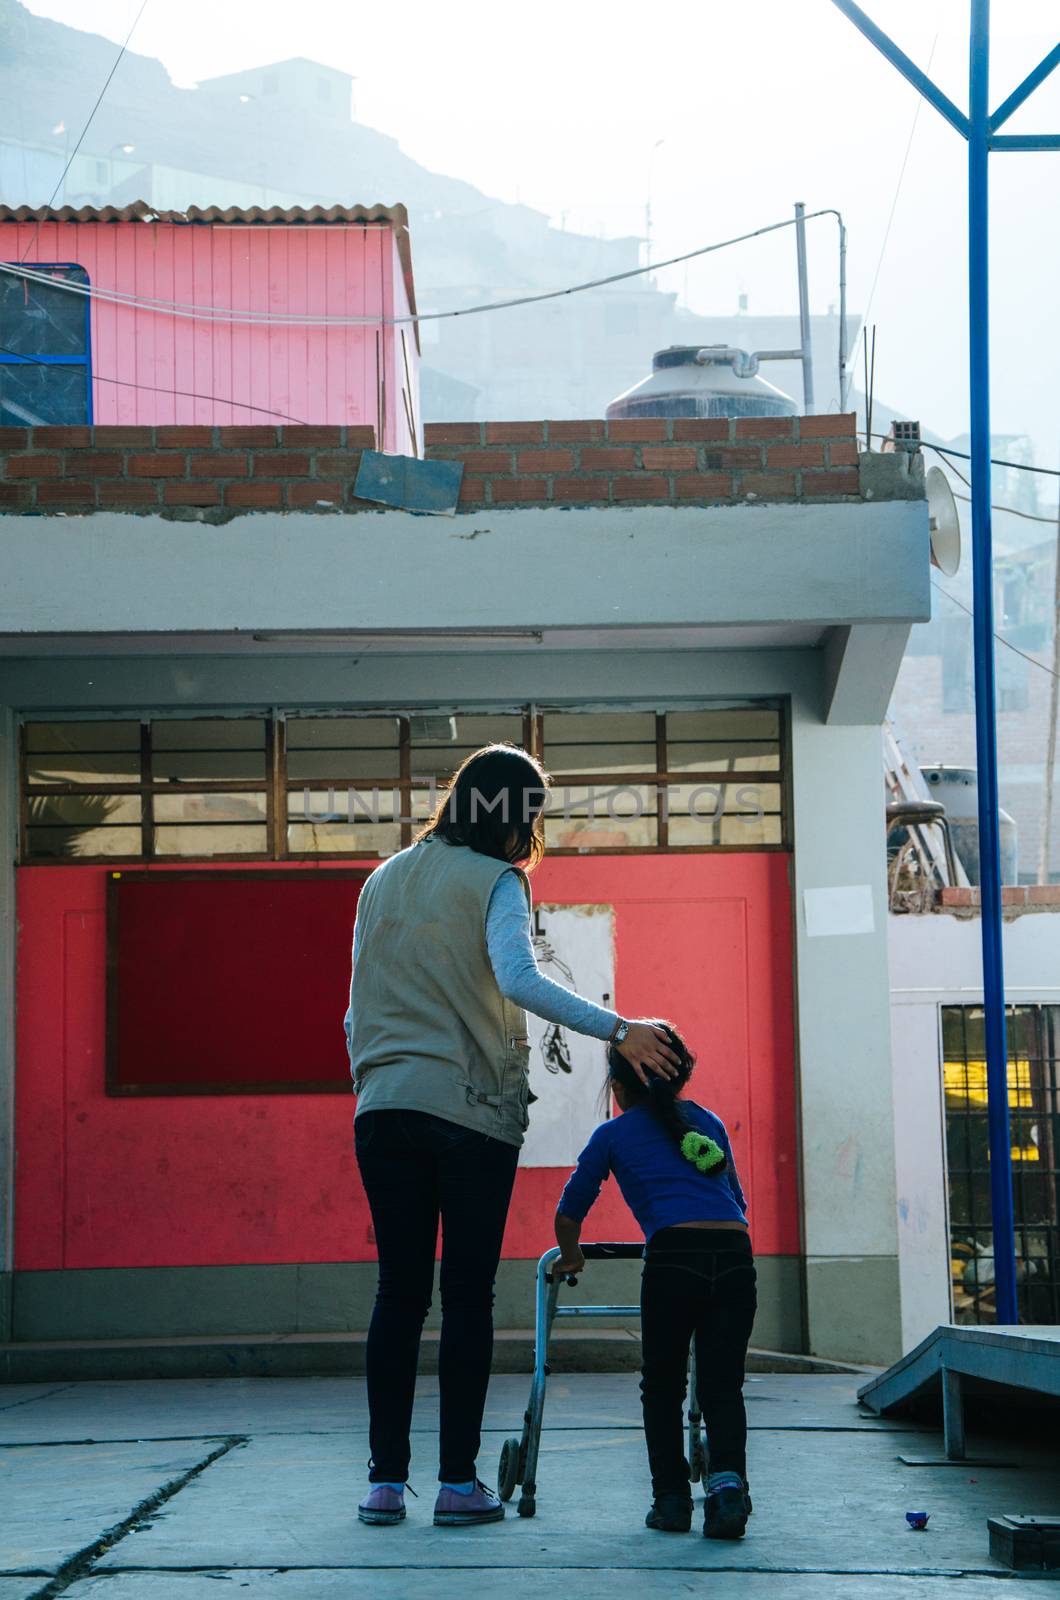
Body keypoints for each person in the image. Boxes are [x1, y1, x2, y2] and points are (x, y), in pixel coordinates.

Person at [346, 742, 679, 1529]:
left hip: (382, 1108)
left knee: (398, 1293)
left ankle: (384, 1484)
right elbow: (518, 977)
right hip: (467, 1113)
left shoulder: (380, 880)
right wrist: (620, 1028)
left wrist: (372, 1081)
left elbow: (355, 1006)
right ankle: (459, 1483)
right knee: (464, 1294)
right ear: (516, 815)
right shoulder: (498, 881)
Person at [553, 1027, 757, 1540]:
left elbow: (569, 1212)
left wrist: (573, 1257)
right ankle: (727, 1493)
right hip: (736, 1256)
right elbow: (737, 1202)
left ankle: (671, 1500)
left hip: (673, 1260)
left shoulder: (613, 1135)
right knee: (721, 1384)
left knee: (663, 1386)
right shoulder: (707, 1121)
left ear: (619, 1089)